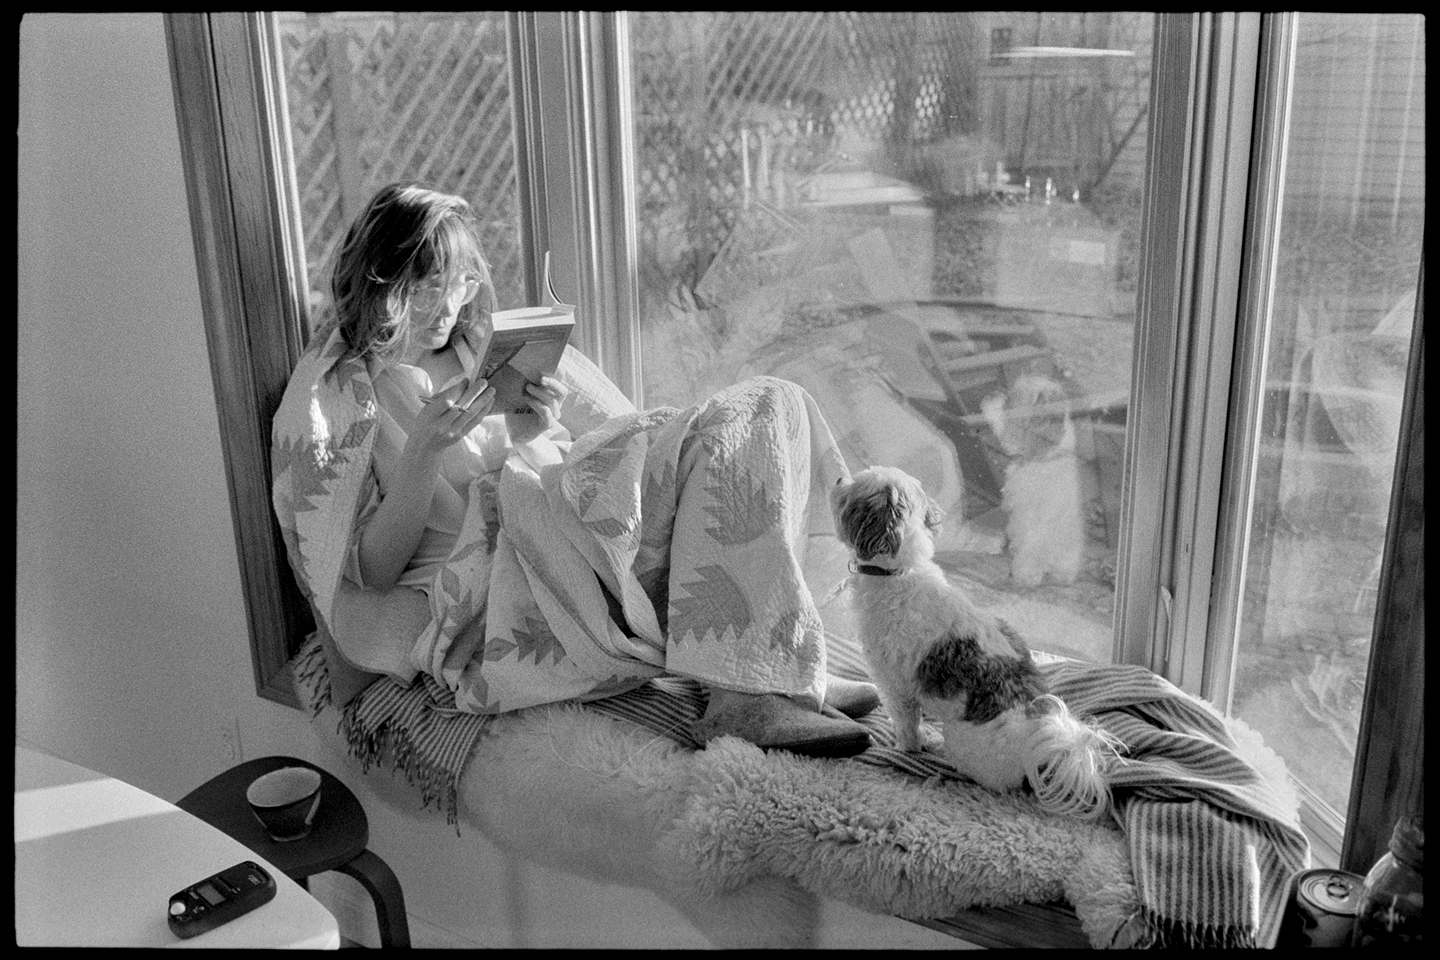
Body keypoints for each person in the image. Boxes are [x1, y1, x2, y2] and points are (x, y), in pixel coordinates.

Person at [272, 182, 878, 758]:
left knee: (770, 403)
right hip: (504, 576)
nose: (451, 304)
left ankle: (769, 665)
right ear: (385, 282)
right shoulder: (351, 407)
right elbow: (371, 575)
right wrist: (424, 452)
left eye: (461, 283)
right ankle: (748, 690)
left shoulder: (479, 350)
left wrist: (537, 430)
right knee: (719, 437)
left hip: (559, 523)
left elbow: (552, 469)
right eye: (431, 284)